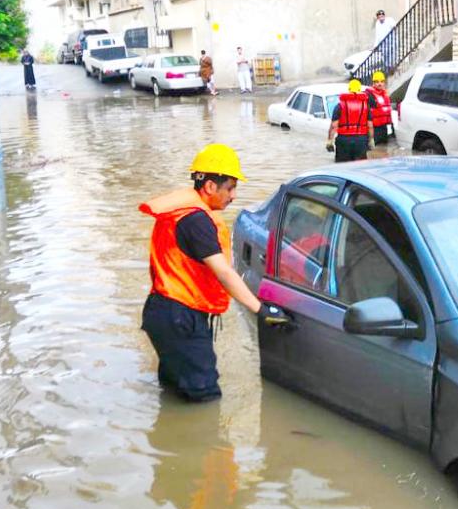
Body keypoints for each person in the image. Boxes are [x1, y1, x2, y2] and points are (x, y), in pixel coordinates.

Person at [138, 144, 289, 402]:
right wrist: (261, 309)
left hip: (164, 313)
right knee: (204, 396)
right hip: (180, 318)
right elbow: (224, 274)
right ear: (209, 187)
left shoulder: (181, 213)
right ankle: (202, 442)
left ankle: (169, 439)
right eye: (230, 187)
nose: (233, 196)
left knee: (175, 388)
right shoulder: (196, 221)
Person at [326, 79, 373, 163]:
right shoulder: (366, 106)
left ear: (349, 90)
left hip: (344, 140)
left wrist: (330, 141)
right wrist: (371, 140)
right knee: (360, 167)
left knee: (342, 168)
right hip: (361, 141)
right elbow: (370, 126)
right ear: (359, 90)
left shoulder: (340, 106)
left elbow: (334, 126)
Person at [366, 70, 394, 145]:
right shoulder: (369, 95)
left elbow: (388, 111)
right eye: (377, 82)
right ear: (373, 83)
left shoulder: (385, 94)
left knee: (384, 152)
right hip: (374, 129)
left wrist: (392, 127)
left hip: (384, 128)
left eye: (381, 81)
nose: (380, 84)